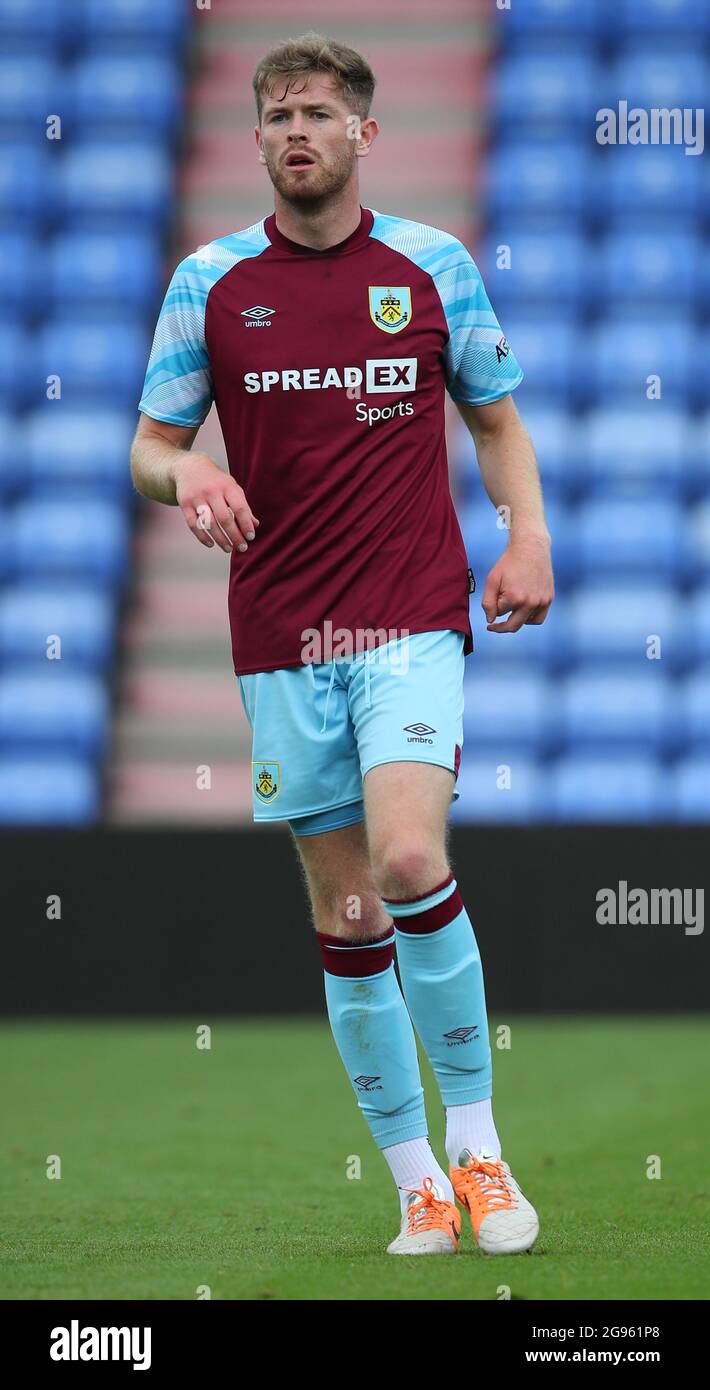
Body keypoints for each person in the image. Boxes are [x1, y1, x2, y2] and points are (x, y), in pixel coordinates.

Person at [131, 31, 554, 1257]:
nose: (294, 131)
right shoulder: (208, 282)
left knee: (411, 858)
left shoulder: (430, 266)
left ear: (365, 132)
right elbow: (148, 447)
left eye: (316, 111)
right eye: (275, 115)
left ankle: (478, 1149)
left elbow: (497, 421)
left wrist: (523, 537)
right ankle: (414, 1181)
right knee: (351, 907)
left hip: (409, 618)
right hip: (280, 632)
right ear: (255, 136)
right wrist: (187, 474)